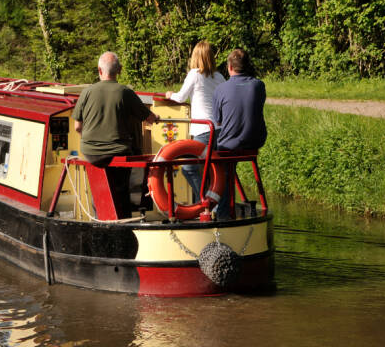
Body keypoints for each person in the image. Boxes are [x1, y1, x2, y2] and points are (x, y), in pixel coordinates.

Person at [73, 52, 159, 218]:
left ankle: (100, 216)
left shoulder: (87, 92)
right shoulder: (125, 92)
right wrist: (156, 118)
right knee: (121, 189)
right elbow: (149, 118)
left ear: (99, 70)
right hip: (117, 152)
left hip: (91, 153)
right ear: (119, 70)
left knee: (100, 186)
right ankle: (123, 218)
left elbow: (78, 126)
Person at [165, 41, 225, 202]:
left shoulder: (195, 74)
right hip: (220, 130)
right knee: (216, 171)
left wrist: (170, 95)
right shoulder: (219, 77)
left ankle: (204, 202)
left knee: (189, 168)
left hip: (203, 130)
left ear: (195, 57)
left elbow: (181, 97)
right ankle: (219, 207)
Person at [212, 48, 267, 219]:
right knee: (230, 158)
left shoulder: (220, 89)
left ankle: (222, 213)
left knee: (217, 164)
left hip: (229, 145)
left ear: (229, 67)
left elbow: (218, 120)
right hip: (255, 140)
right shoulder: (259, 85)